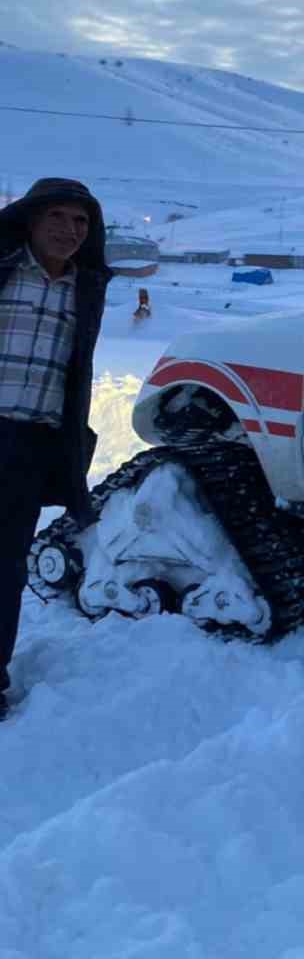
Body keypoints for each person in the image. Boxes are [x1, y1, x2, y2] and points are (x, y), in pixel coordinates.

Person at [0, 179, 110, 722]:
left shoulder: (84, 288)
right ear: (29, 219)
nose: (70, 231)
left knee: (4, 570)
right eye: (58, 217)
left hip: (30, 446)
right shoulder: (2, 267)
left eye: (82, 222)